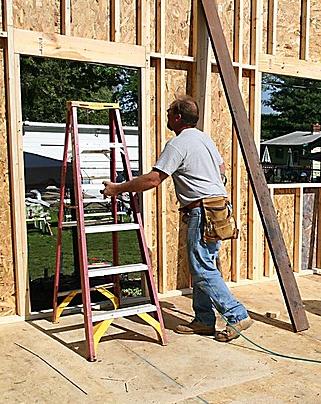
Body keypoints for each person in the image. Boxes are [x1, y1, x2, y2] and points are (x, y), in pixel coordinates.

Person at [102, 95, 253, 342]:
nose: (167, 116)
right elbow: (222, 169)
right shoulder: (204, 139)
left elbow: (153, 179)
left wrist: (117, 189)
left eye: (170, 112)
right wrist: (213, 185)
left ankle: (236, 315)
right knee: (205, 266)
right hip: (217, 209)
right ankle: (204, 321)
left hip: (202, 211)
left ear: (178, 117)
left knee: (202, 267)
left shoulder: (178, 143)